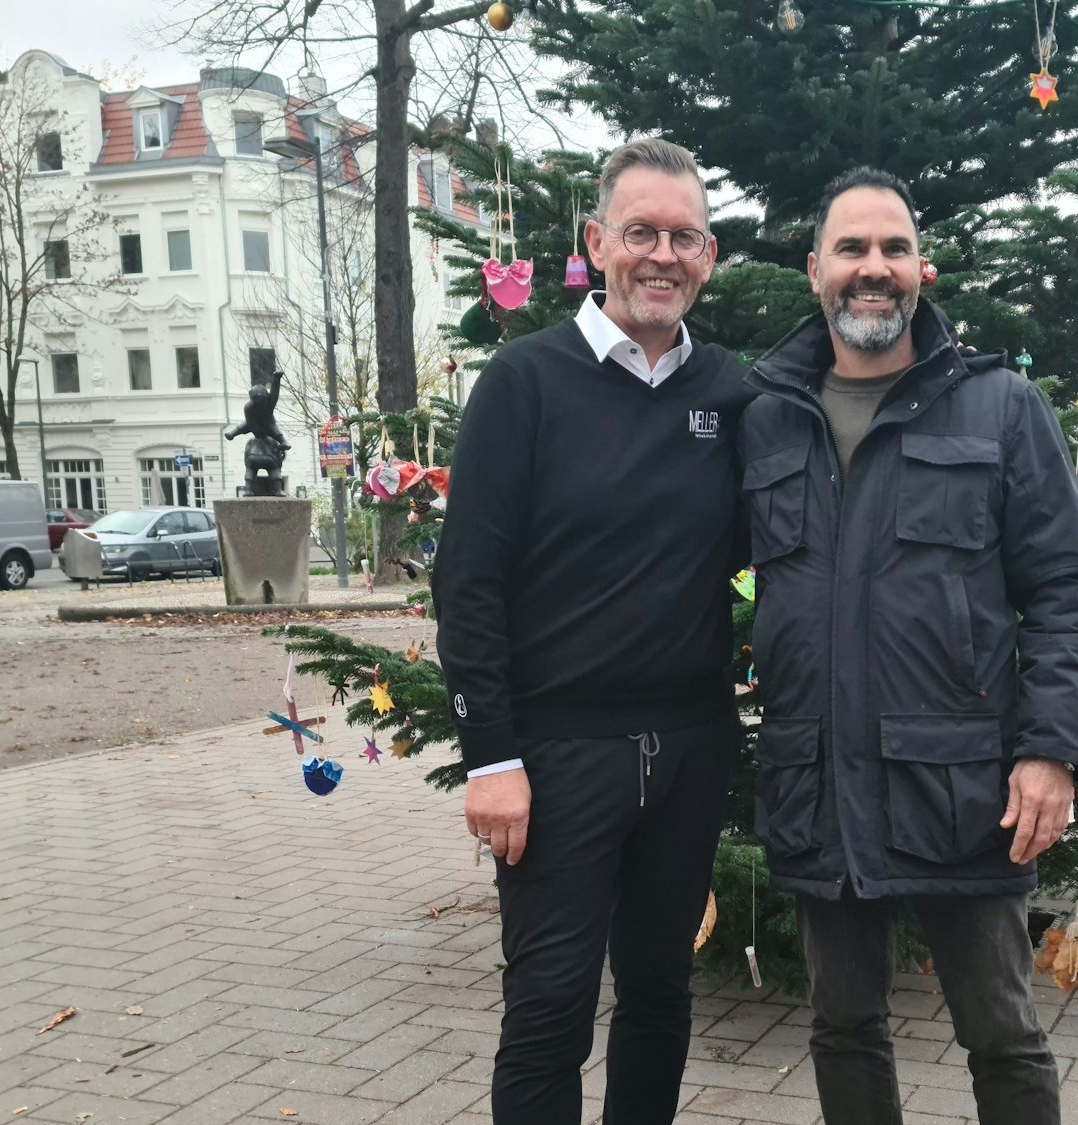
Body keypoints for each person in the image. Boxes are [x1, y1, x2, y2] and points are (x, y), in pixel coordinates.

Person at [738, 168, 1078, 1125]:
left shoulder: (1000, 406)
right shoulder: (766, 417)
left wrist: (1051, 749)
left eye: (893, 248)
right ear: (815, 270)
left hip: (963, 791)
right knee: (843, 1029)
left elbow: (1064, 587)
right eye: (852, 249)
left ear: (921, 268)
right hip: (818, 781)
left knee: (1004, 1037)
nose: (874, 268)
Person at [432, 138, 751, 1125]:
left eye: (685, 237)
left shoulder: (732, 394)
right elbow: (467, 580)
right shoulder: (524, 383)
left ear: (708, 257)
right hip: (556, 755)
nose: (662, 255)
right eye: (640, 232)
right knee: (548, 1010)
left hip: (691, 746)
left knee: (659, 995)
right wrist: (490, 758)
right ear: (596, 242)